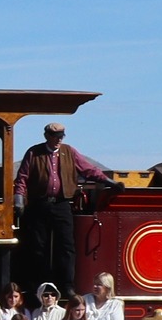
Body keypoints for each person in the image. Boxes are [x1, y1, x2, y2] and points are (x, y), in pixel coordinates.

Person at [11, 121, 103, 299]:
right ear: (47, 136)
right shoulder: (34, 152)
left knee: (66, 247)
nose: (59, 140)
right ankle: (39, 285)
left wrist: (108, 182)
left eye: (61, 136)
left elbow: (88, 169)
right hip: (39, 204)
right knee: (38, 247)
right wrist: (19, 199)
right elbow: (22, 177)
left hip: (62, 204)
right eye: (55, 137)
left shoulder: (69, 152)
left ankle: (66, 285)